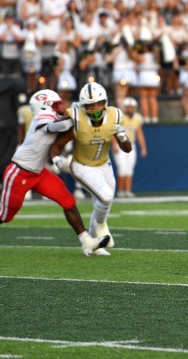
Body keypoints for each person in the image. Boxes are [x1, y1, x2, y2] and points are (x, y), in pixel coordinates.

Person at [0, 90, 110, 256]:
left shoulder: (53, 116)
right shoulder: (42, 118)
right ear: (44, 106)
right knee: (6, 215)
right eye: (56, 105)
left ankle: (87, 242)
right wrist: (78, 112)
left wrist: (81, 110)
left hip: (39, 173)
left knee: (68, 201)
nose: (60, 107)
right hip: (19, 172)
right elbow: (62, 125)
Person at [49, 82, 132, 256]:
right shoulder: (78, 119)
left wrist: (123, 137)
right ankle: (100, 227)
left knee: (104, 202)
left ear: (105, 102)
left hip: (104, 164)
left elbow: (127, 149)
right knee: (106, 197)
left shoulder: (115, 116)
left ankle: (93, 245)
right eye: (90, 105)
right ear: (83, 106)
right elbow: (56, 144)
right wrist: (56, 158)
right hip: (82, 165)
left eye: (97, 103)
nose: (94, 108)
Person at [114, 97, 147, 198]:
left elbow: (139, 133)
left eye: (131, 107)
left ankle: (128, 191)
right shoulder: (120, 117)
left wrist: (143, 147)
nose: (130, 109)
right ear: (124, 107)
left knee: (129, 168)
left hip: (131, 145)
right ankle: (120, 191)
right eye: (128, 107)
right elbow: (114, 132)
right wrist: (114, 144)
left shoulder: (137, 118)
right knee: (122, 168)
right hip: (120, 145)